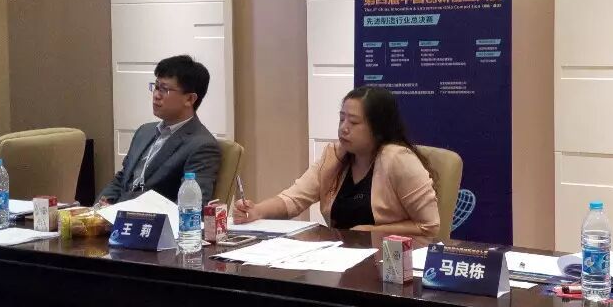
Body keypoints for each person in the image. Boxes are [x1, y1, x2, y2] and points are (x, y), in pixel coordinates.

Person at [234, 87, 440, 238]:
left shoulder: (398, 159)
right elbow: (294, 199)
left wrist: (372, 231)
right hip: (342, 257)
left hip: (392, 262)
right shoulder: (334, 156)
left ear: (378, 128)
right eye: (342, 119)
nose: (343, 128)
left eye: (354, 122)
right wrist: (257, 211)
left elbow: (429, 226)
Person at [98, 55, 221, 204]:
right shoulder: (144, 131)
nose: (156, 95)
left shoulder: (202, 146)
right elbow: (122, 179)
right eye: (156, 87)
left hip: (151, 217)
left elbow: (191, 205)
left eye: (164, 89)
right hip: (116, 214)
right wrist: (98, 208)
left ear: (189, 99)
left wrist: (123, 212)